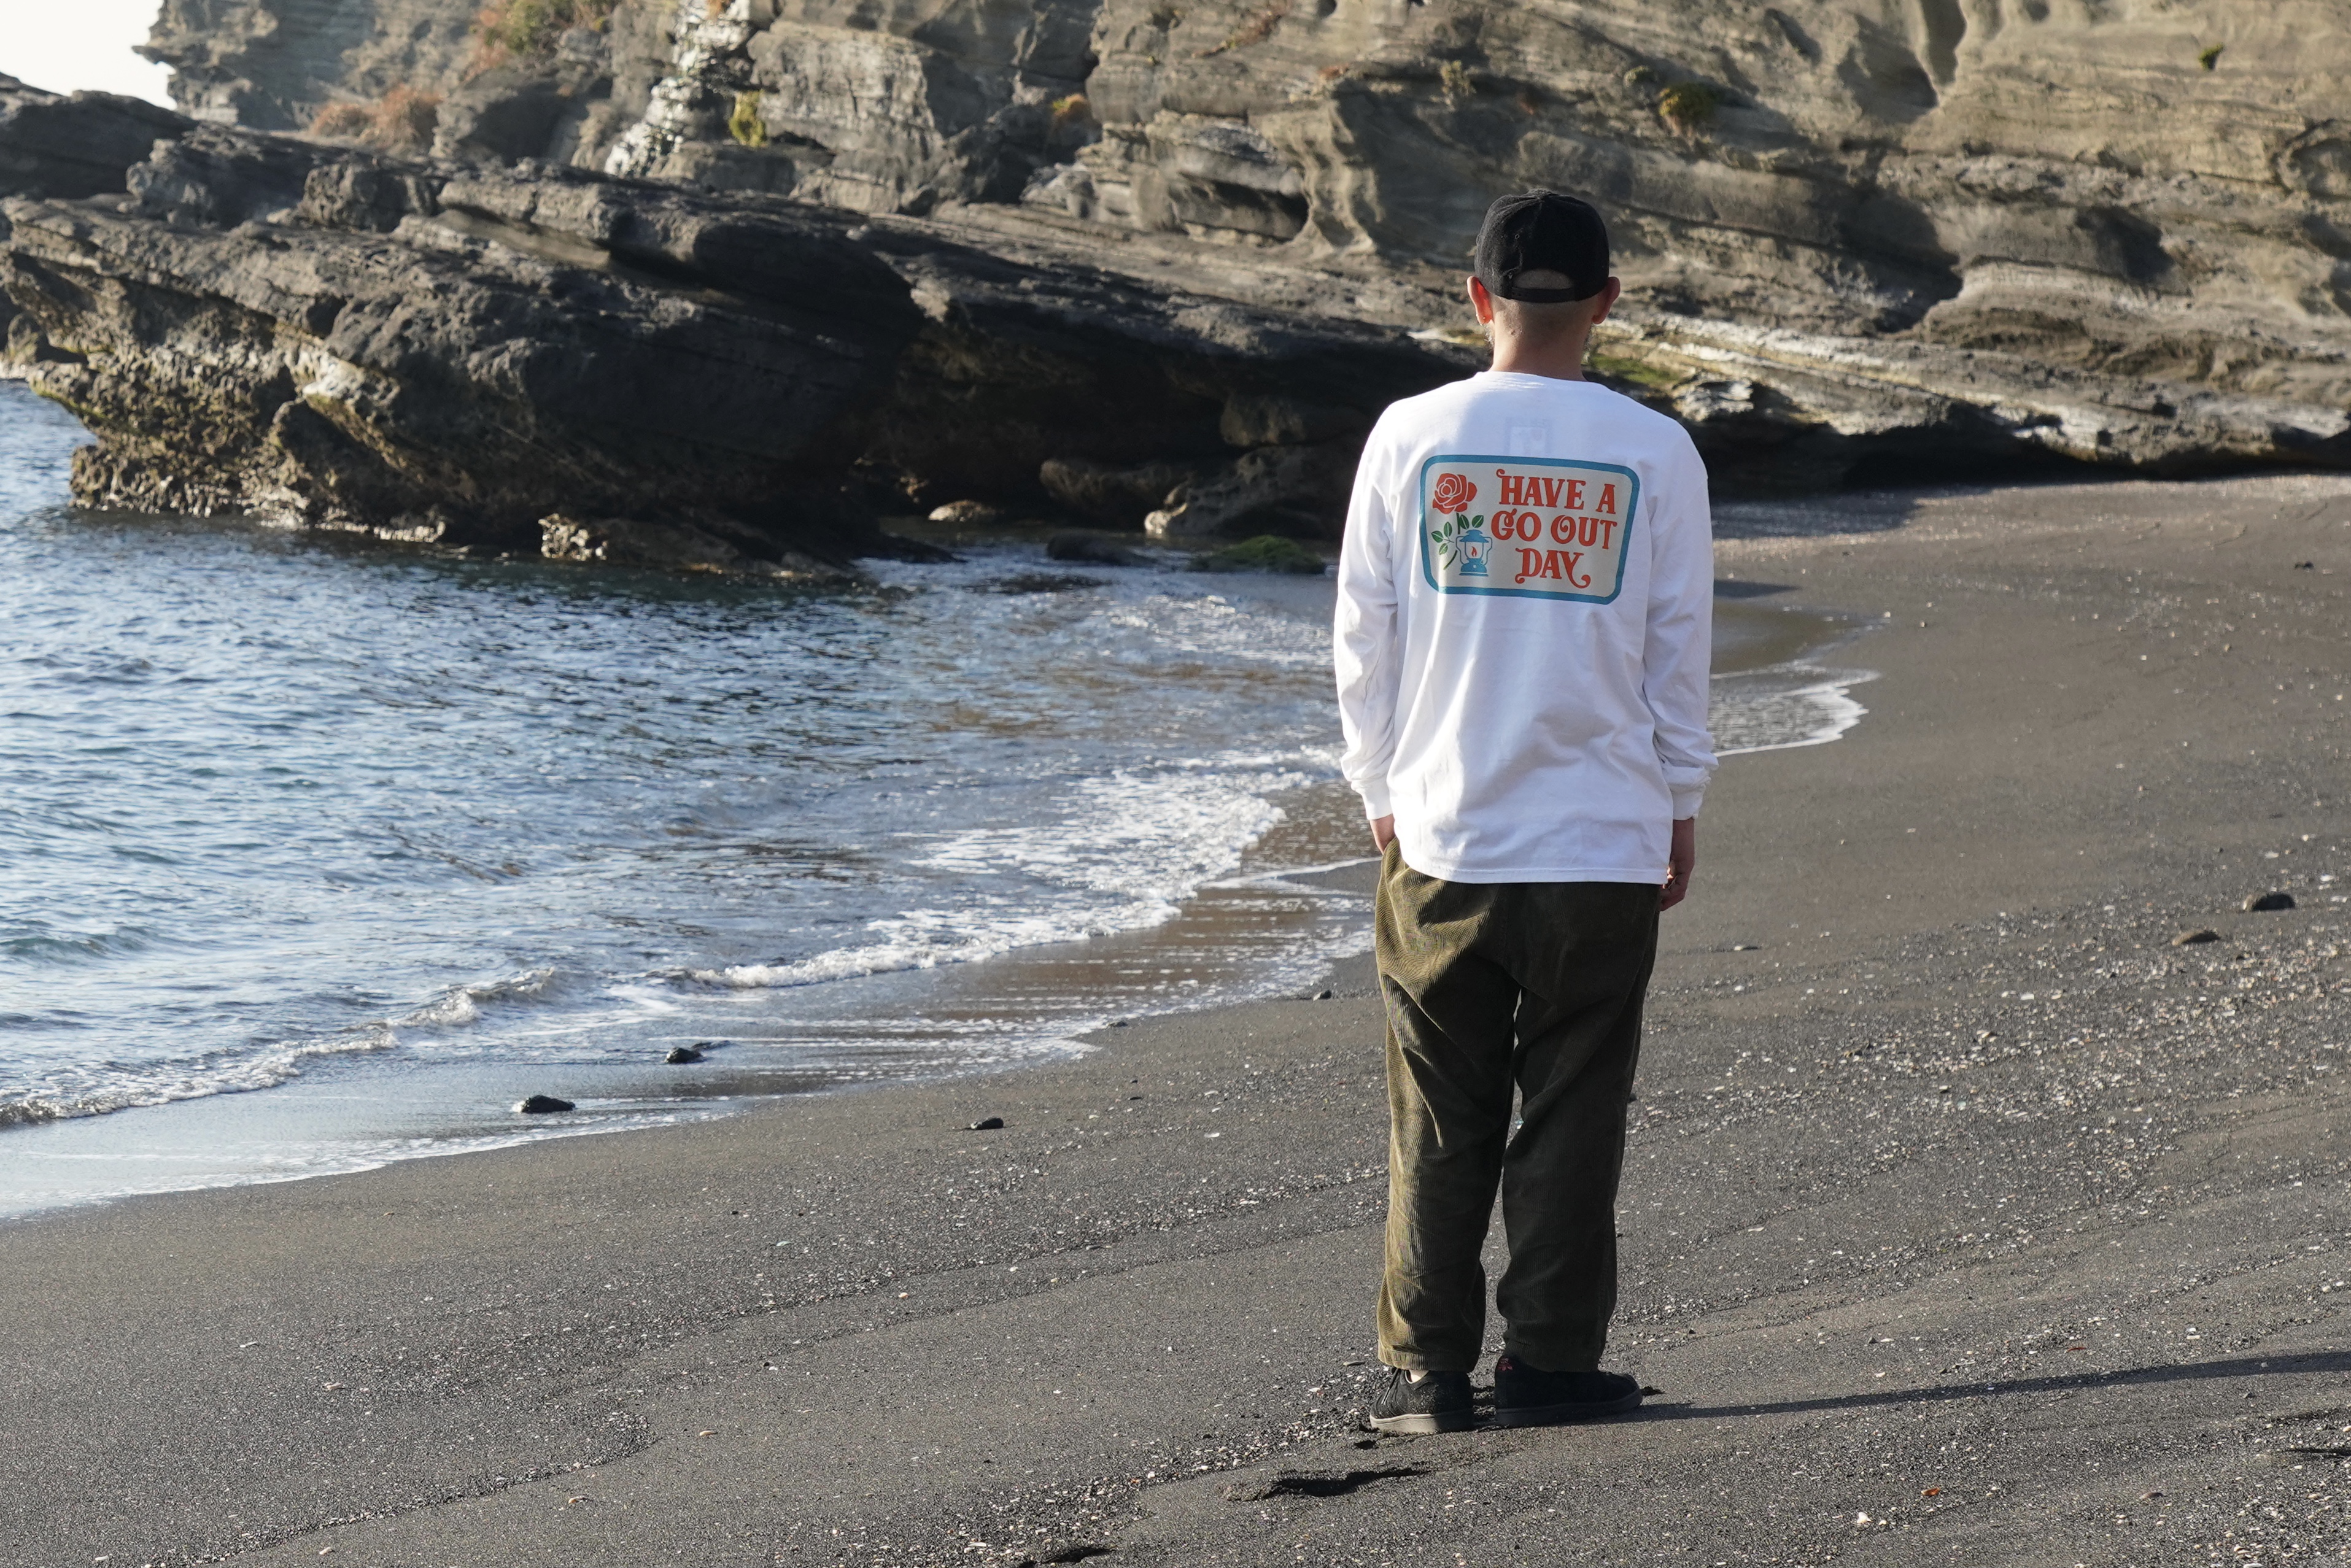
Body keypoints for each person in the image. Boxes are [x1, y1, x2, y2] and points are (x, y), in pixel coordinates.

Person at [1333, 190, 1717, 1434]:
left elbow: (1364, 635)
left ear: (1475, 297)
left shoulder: (1410, 433)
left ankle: (1428, 1371)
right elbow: (1675, 649)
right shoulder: (1654, 449)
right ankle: (1548, 1361)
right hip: (1599, 833)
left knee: (1439, 1113)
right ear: (1607, 302)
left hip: (1443, 830)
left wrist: (1377, 786)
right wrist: (1679, 800)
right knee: (1574, 1109)